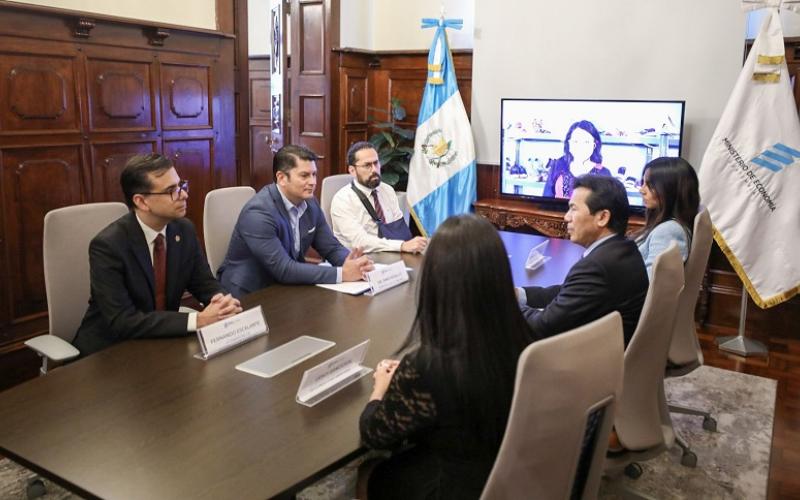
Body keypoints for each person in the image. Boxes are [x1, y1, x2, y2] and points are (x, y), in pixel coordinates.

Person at [359, 214, 532, 499]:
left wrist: (380, 388)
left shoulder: (427, 366)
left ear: (435, 279)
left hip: (459, 488)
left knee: (373, 472)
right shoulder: (525, 337)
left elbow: (375, 434)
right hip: (514, 475)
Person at [72, 154, 242, 357]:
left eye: (181, 185)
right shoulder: (108, 246)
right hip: (110, 350)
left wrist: (222, 303)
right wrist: (198, 320)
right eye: (171, 191)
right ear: (142, 201)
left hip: (161, 342)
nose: (184, 195)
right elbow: (122, 321)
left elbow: (204, 283)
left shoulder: (183, 230)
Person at [218, 144, 373, 298]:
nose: (313, 182)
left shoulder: (310, 203)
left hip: (286, 285)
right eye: (304, 176)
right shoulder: (258, 213)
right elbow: (283, 269)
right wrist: (342, 273)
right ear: (281, 178)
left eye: (314, 174)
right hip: (249, 292)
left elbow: (331, 248)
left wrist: (355, 264)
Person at [519, 175, 648, 346]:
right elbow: (567, 293)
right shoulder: (622, 249)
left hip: (592, 358)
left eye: (573, 209)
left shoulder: (597, 267)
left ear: (602, 217)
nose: (566, 217)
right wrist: (521, 295)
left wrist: (506, 304)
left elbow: (543, 327)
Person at [330, 141, 428, 253]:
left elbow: (401, 231)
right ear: (352, 170)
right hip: (360, 258)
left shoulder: (387, 190)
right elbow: (359, 242)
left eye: (376, 163)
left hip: (392, 253)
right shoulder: (342, 200)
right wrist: (401, 246)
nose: (374, 170)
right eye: (367, 165)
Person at [635, 157, 700, 278]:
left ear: (670, 190)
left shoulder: (669, 231)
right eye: (642, 183)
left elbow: (651, 284)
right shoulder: (668, 225)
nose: (641, 190)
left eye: (650, 185)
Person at [542, 120, 611, 199]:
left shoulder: (604, 173)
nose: (581, 147)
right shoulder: (557, 166)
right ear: (569, 143)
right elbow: (545, 201)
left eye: (586, 142)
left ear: (594, 145)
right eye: (576, 141)